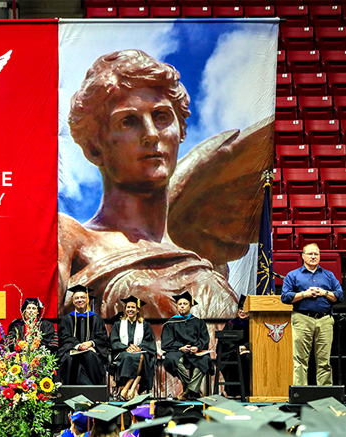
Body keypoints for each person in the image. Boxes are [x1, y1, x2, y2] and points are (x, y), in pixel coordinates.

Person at [58, 49, 274, 320]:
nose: (151, 134)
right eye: (129, 121)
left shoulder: (193, 254)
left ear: (181, 131)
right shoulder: (72, 237)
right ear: (93, 147)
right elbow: (38, 325)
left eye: (161, 117)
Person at [281, 243, 344, 386]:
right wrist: (305, 294)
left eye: (316, 254)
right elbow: (285, 297)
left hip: (325, 321)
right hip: (302, 319)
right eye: (310, 254)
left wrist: (324, 293)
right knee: (300, 361)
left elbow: (339, 295)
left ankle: (325, 397)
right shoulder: (293, 275)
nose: (313, 257)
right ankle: (300, 395)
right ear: (303, 256)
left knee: (324, 361)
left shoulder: (329, 275)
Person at [161, 291, 213, 400]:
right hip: (177, 351)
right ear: (177, 307)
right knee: (172, 360)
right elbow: (166, 343)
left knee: (205, 359)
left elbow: (204, 340)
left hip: (195, 352)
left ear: (190, 306)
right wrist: (180, 348)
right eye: (180, 304)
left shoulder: (198, 322)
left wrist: (197, 347)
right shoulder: (170, 323)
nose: (182, 306)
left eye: (185, 304)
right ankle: (194, 390)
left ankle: (187, 390)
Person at [57, 285, 109, 385]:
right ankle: (72, 392)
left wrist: (90, 343)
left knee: (89, 356)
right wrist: (78, 346)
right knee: (71, 359)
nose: (79, 300)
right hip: (71, 351)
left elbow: (102, 338)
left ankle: (93, 391)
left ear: (87, 300)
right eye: (77, 298)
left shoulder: (96, 319)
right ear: (73, 301)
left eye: (82, 297)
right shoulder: (66, 319)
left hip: (92, 352)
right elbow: (64, 337)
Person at [109, 296, 157, 400]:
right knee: (132, 357)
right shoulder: (118, 324)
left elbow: (149, 341)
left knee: (140, 357)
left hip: (139, 352)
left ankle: (125, 389)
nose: (130, 309)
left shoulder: (144, 325)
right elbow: (114, 341)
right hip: (122, 353)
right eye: (128, 307)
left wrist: (139, 348)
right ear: (125, 309)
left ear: (137, 310)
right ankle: (132, 389)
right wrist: (126, 348)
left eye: (133, 307)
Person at [217, 294, 251, 397]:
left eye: (244, 309)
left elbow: (257, 341)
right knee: (230, 357)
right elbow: (224, 342)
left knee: (246, 358)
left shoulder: (254, 325)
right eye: (240, 309)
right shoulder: (231, 324)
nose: (241, 311)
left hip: (248, 352)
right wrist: (236, 349)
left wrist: (246, 347)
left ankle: (247, 392)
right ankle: (231, 392)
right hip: (232, 352)